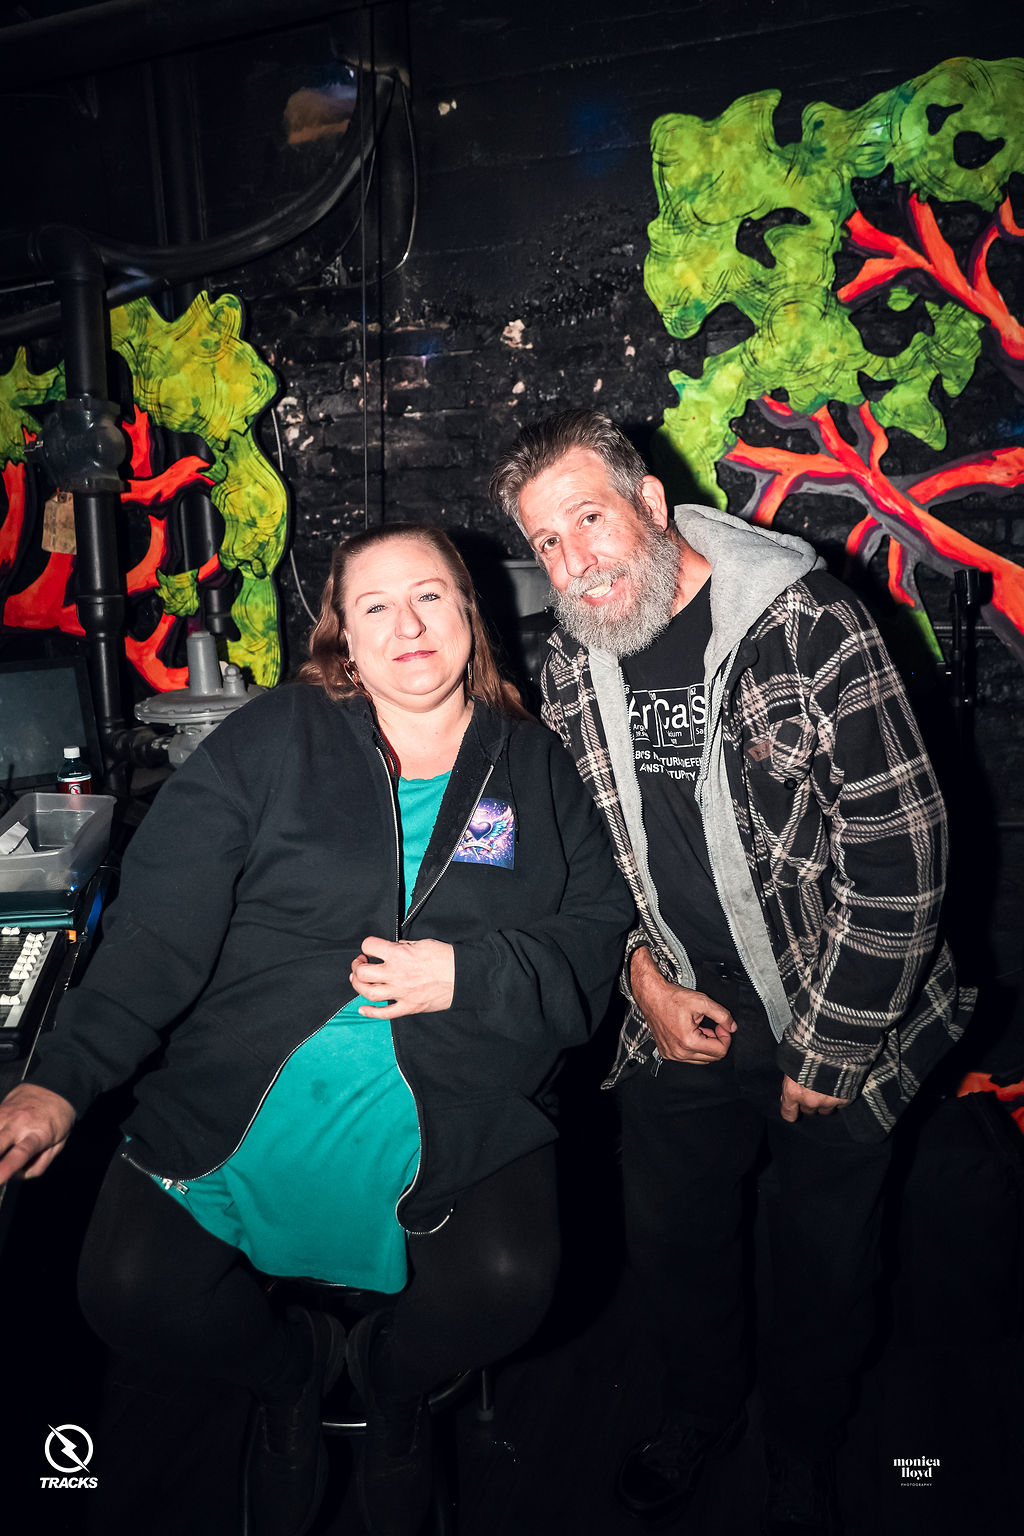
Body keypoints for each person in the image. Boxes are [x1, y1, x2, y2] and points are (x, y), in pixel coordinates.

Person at [0, 523, 633, 1536]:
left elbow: (596, 931)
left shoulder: (534, 761)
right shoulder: (271, 737)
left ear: (470, 614)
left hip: (464, 1101)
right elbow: (159, 928)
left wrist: (471, 974)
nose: (407, 624)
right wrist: (60, 1078)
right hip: (241, 1087)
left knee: (511, 1286)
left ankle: (393, 1391)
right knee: (127, 1292)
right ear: (342, 634)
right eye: (375, 605)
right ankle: (292, 1375)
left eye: (429, 596)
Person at [489, 410, 973, 1536]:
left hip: (834, 1001)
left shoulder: (810, 625)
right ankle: (699, 1412)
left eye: (589, 519)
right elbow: (578, 856)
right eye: (546, 541)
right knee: (677, 1248)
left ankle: (804, 1444)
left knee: (826, 1262)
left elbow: (901, 851)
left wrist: (835, 1044)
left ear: (651, 503)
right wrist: (638, 978)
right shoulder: (571, 662)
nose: (574, 561)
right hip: (673, 1012)